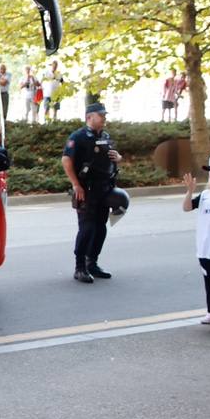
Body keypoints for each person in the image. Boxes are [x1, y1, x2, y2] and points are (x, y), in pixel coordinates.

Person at [62, 102, 123, 283]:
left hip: (104, 188)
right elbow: (66, 160)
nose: (104, 118)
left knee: (100, 227)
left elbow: (112, 157)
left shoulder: (105, 135)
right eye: (101, 115)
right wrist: (76, 185)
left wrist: (118, 158)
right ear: (90, 117)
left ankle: (92, 263)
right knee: (87, 228)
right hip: (86, 190)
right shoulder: (78, 137)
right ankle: (79, 267)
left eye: (104, 115)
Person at [182, 155, 210, 325]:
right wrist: (189, 191)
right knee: (209, 281)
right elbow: (186, 208)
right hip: (205, 249)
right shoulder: (204, 195)